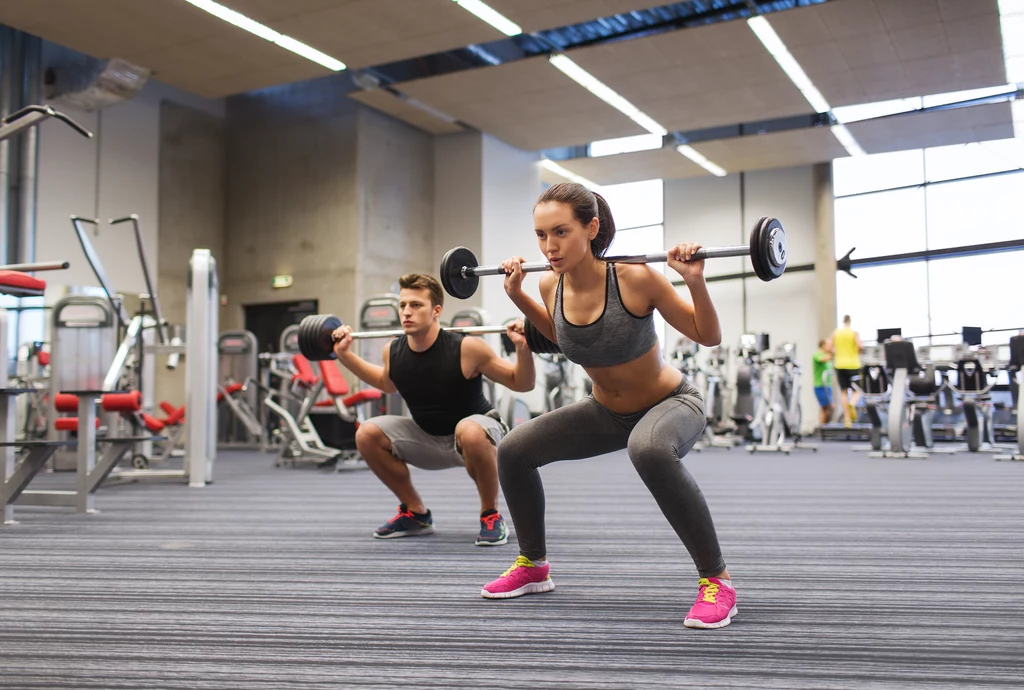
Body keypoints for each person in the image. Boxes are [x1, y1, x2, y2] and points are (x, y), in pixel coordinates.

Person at [481, 182, 736, 630]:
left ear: (592, 227)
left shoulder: (635, 278)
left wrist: (694, 280)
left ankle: (718, 581)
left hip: (671, 403)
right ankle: (533, 564)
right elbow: (565, 340)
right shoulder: (548, 283)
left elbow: (707, 335)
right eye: (541, 235)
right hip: (606, 411)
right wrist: (518, 296)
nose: (549, 246)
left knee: (650, 449)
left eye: (560, 232)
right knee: (514, 449)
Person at [331, 273, 536, 546]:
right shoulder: (393, 351)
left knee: (469, 430)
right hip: (427, 437)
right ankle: (416, 513)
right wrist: (344, 355)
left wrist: (523, 348)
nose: (406, 312)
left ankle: (491, 514)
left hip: (476, 435)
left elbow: (521, 383)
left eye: (416, 305)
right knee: (367, 433)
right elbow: (386, 383)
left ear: (436, 311)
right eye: (403, 305)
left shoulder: (467, 347)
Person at [826, 315, 862, 428]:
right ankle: (852, 403)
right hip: (853, 364)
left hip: (839, 364)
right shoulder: (853, 333)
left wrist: (836, 351)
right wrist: (855, 351)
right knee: (858, 390)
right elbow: (860, 346)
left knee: (844, 392)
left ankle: (847, 419)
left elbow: (828, 348)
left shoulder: (836, 333)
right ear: (850, 322)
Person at [812, 339, 834, 427]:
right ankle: (822, 428)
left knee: (829, 408)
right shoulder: (817, 355)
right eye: (828, 345)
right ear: (823, 345)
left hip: (827, 386)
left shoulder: (827, 356)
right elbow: (823, 359)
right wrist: (834, 352)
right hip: (820, 385)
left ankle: (825, 427)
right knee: (825, 407)